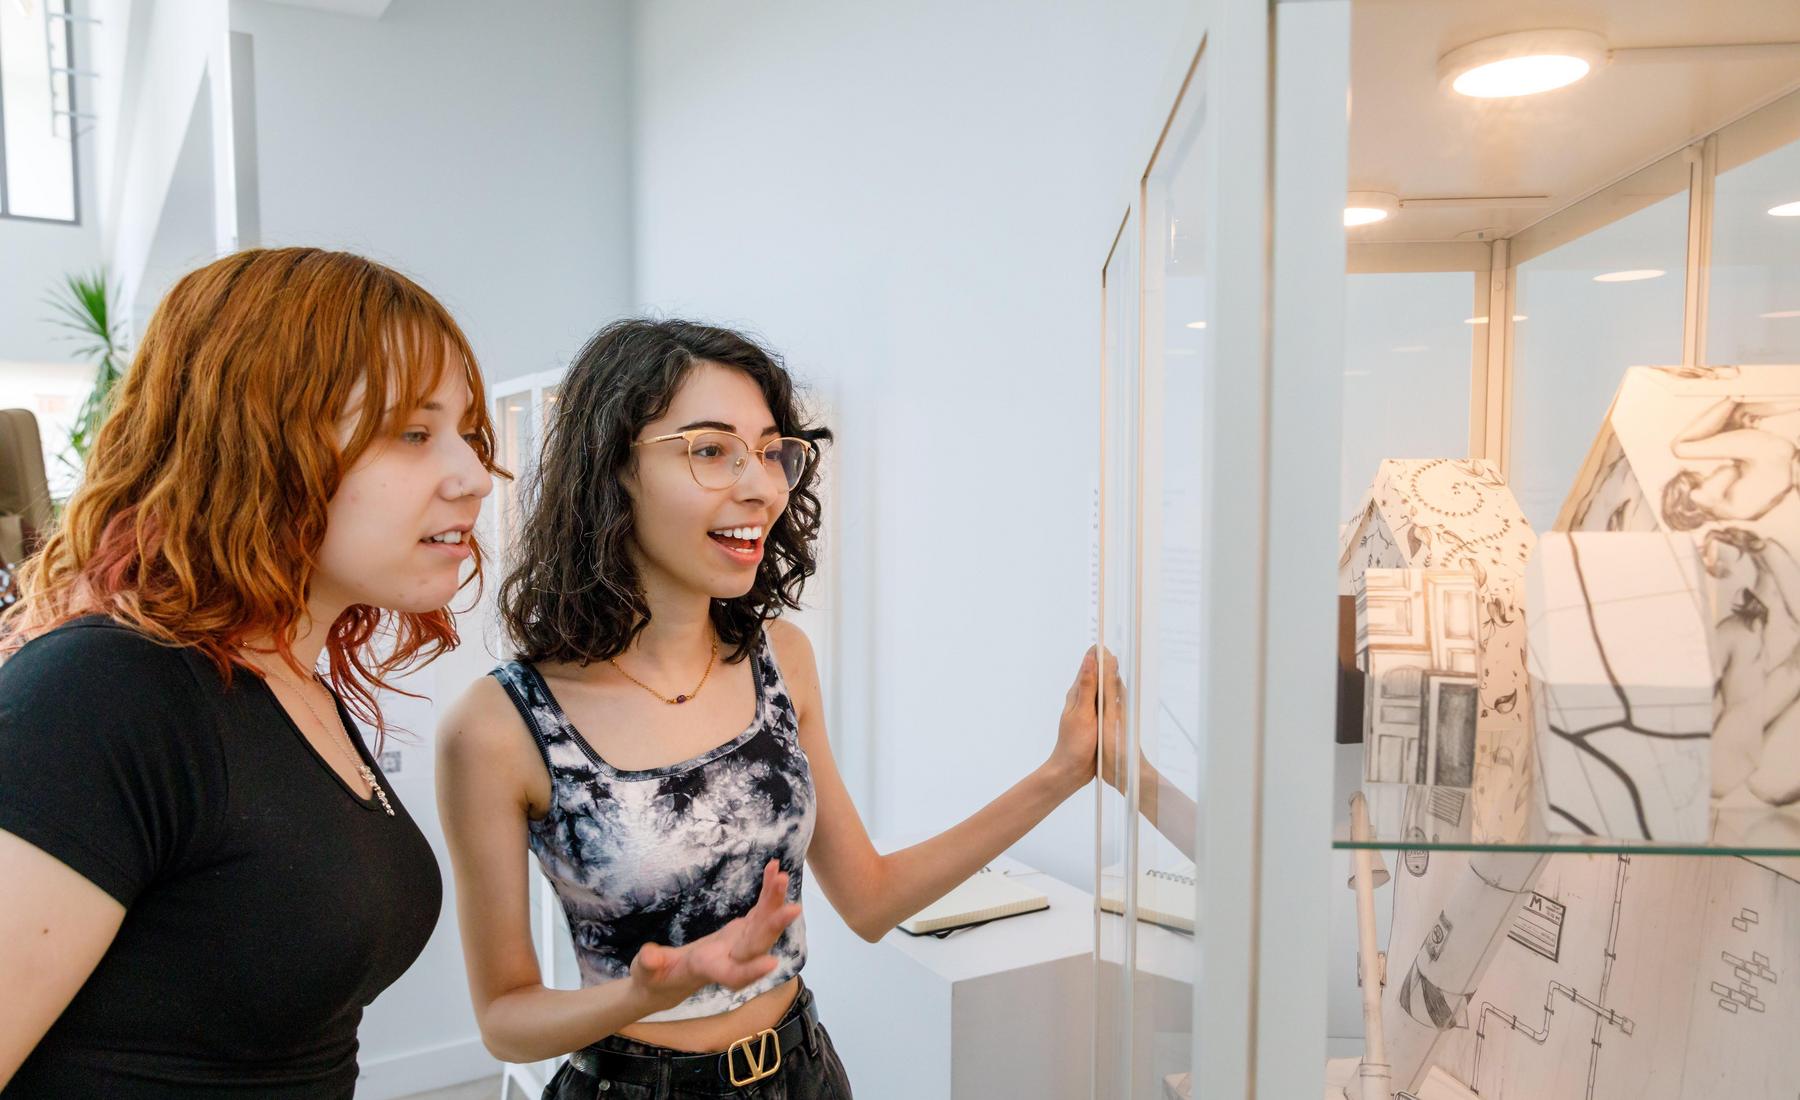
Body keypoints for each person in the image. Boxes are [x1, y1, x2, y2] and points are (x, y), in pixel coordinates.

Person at [436, 319, 1116, 1098]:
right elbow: (504, 1017)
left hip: (802, 1075)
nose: (760, 486)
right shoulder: (501, 728)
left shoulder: (780, 660)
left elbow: (870, 898)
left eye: (770, 451)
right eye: (711, 449)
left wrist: (1063, 772)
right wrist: (647, 990)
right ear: (612, 467)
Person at [0, 248, 501, 1097]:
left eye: (467, 434)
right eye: (414, 433)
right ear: (257, 446)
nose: (475, 477)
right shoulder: (103, 697)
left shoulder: (292, 683)